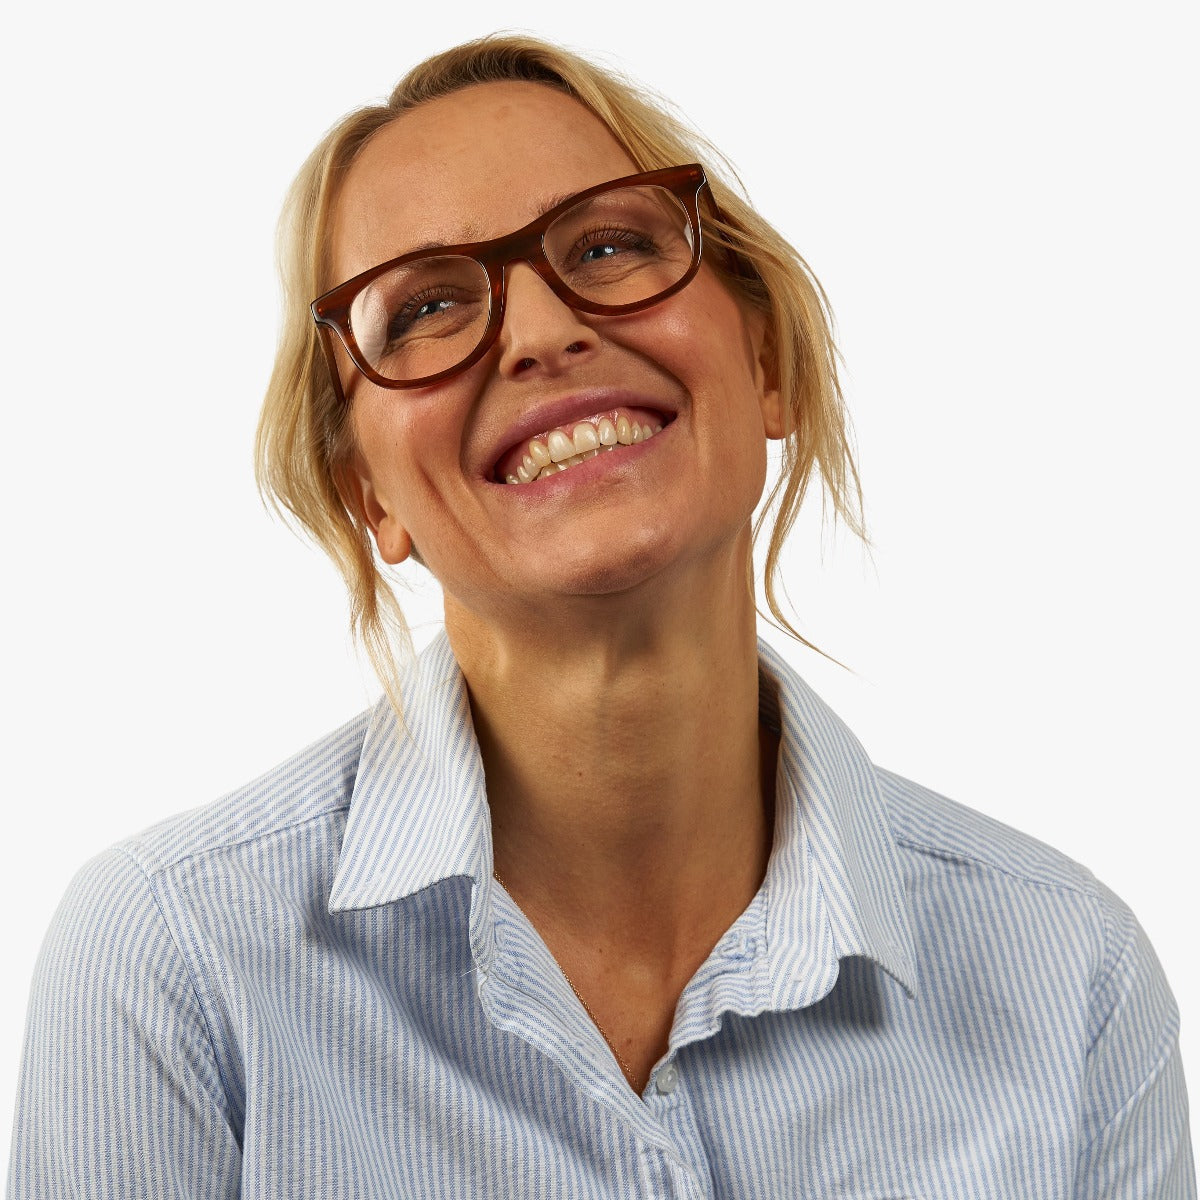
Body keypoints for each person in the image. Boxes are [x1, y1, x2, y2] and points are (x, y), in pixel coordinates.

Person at [8, 33, 1194, 1198]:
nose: (542, 334)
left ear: (765, 361)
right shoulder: (177, 961)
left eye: (611, 244)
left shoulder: (1070, 976)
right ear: (368, 492)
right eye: (425, 308)